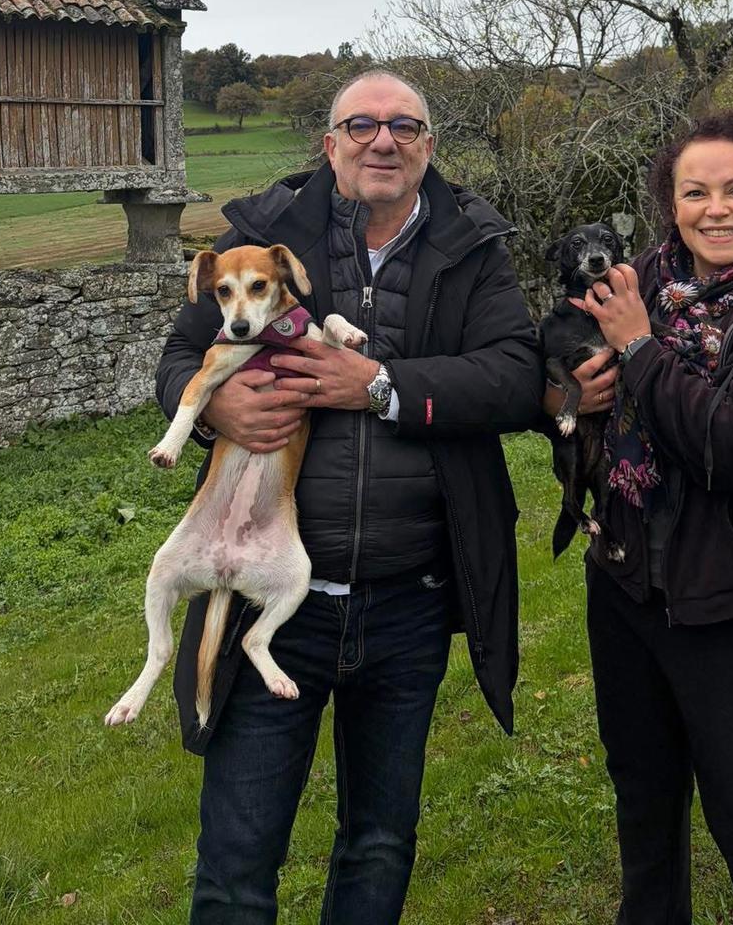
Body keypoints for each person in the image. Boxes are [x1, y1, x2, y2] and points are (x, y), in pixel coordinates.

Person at [155, 70, 542, 925]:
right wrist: (212, 400)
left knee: (377, 846)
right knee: (235, 864)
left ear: (428, 147)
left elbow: (517, 377)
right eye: (361, 125)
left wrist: (379, 384)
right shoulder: (268, 238)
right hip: (274, 596)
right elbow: (180, 356)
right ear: (330, 145)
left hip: (409, 599)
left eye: (405, 126)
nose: (383, 140)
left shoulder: (471, 244)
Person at [550, 108, 733, 925]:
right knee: (644, 805)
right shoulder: (637, 282)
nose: (718, 208)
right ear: (669, 204)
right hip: (627, 586)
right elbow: (559, 370)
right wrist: (571, 390)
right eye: (696, 192)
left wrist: (641, 352)